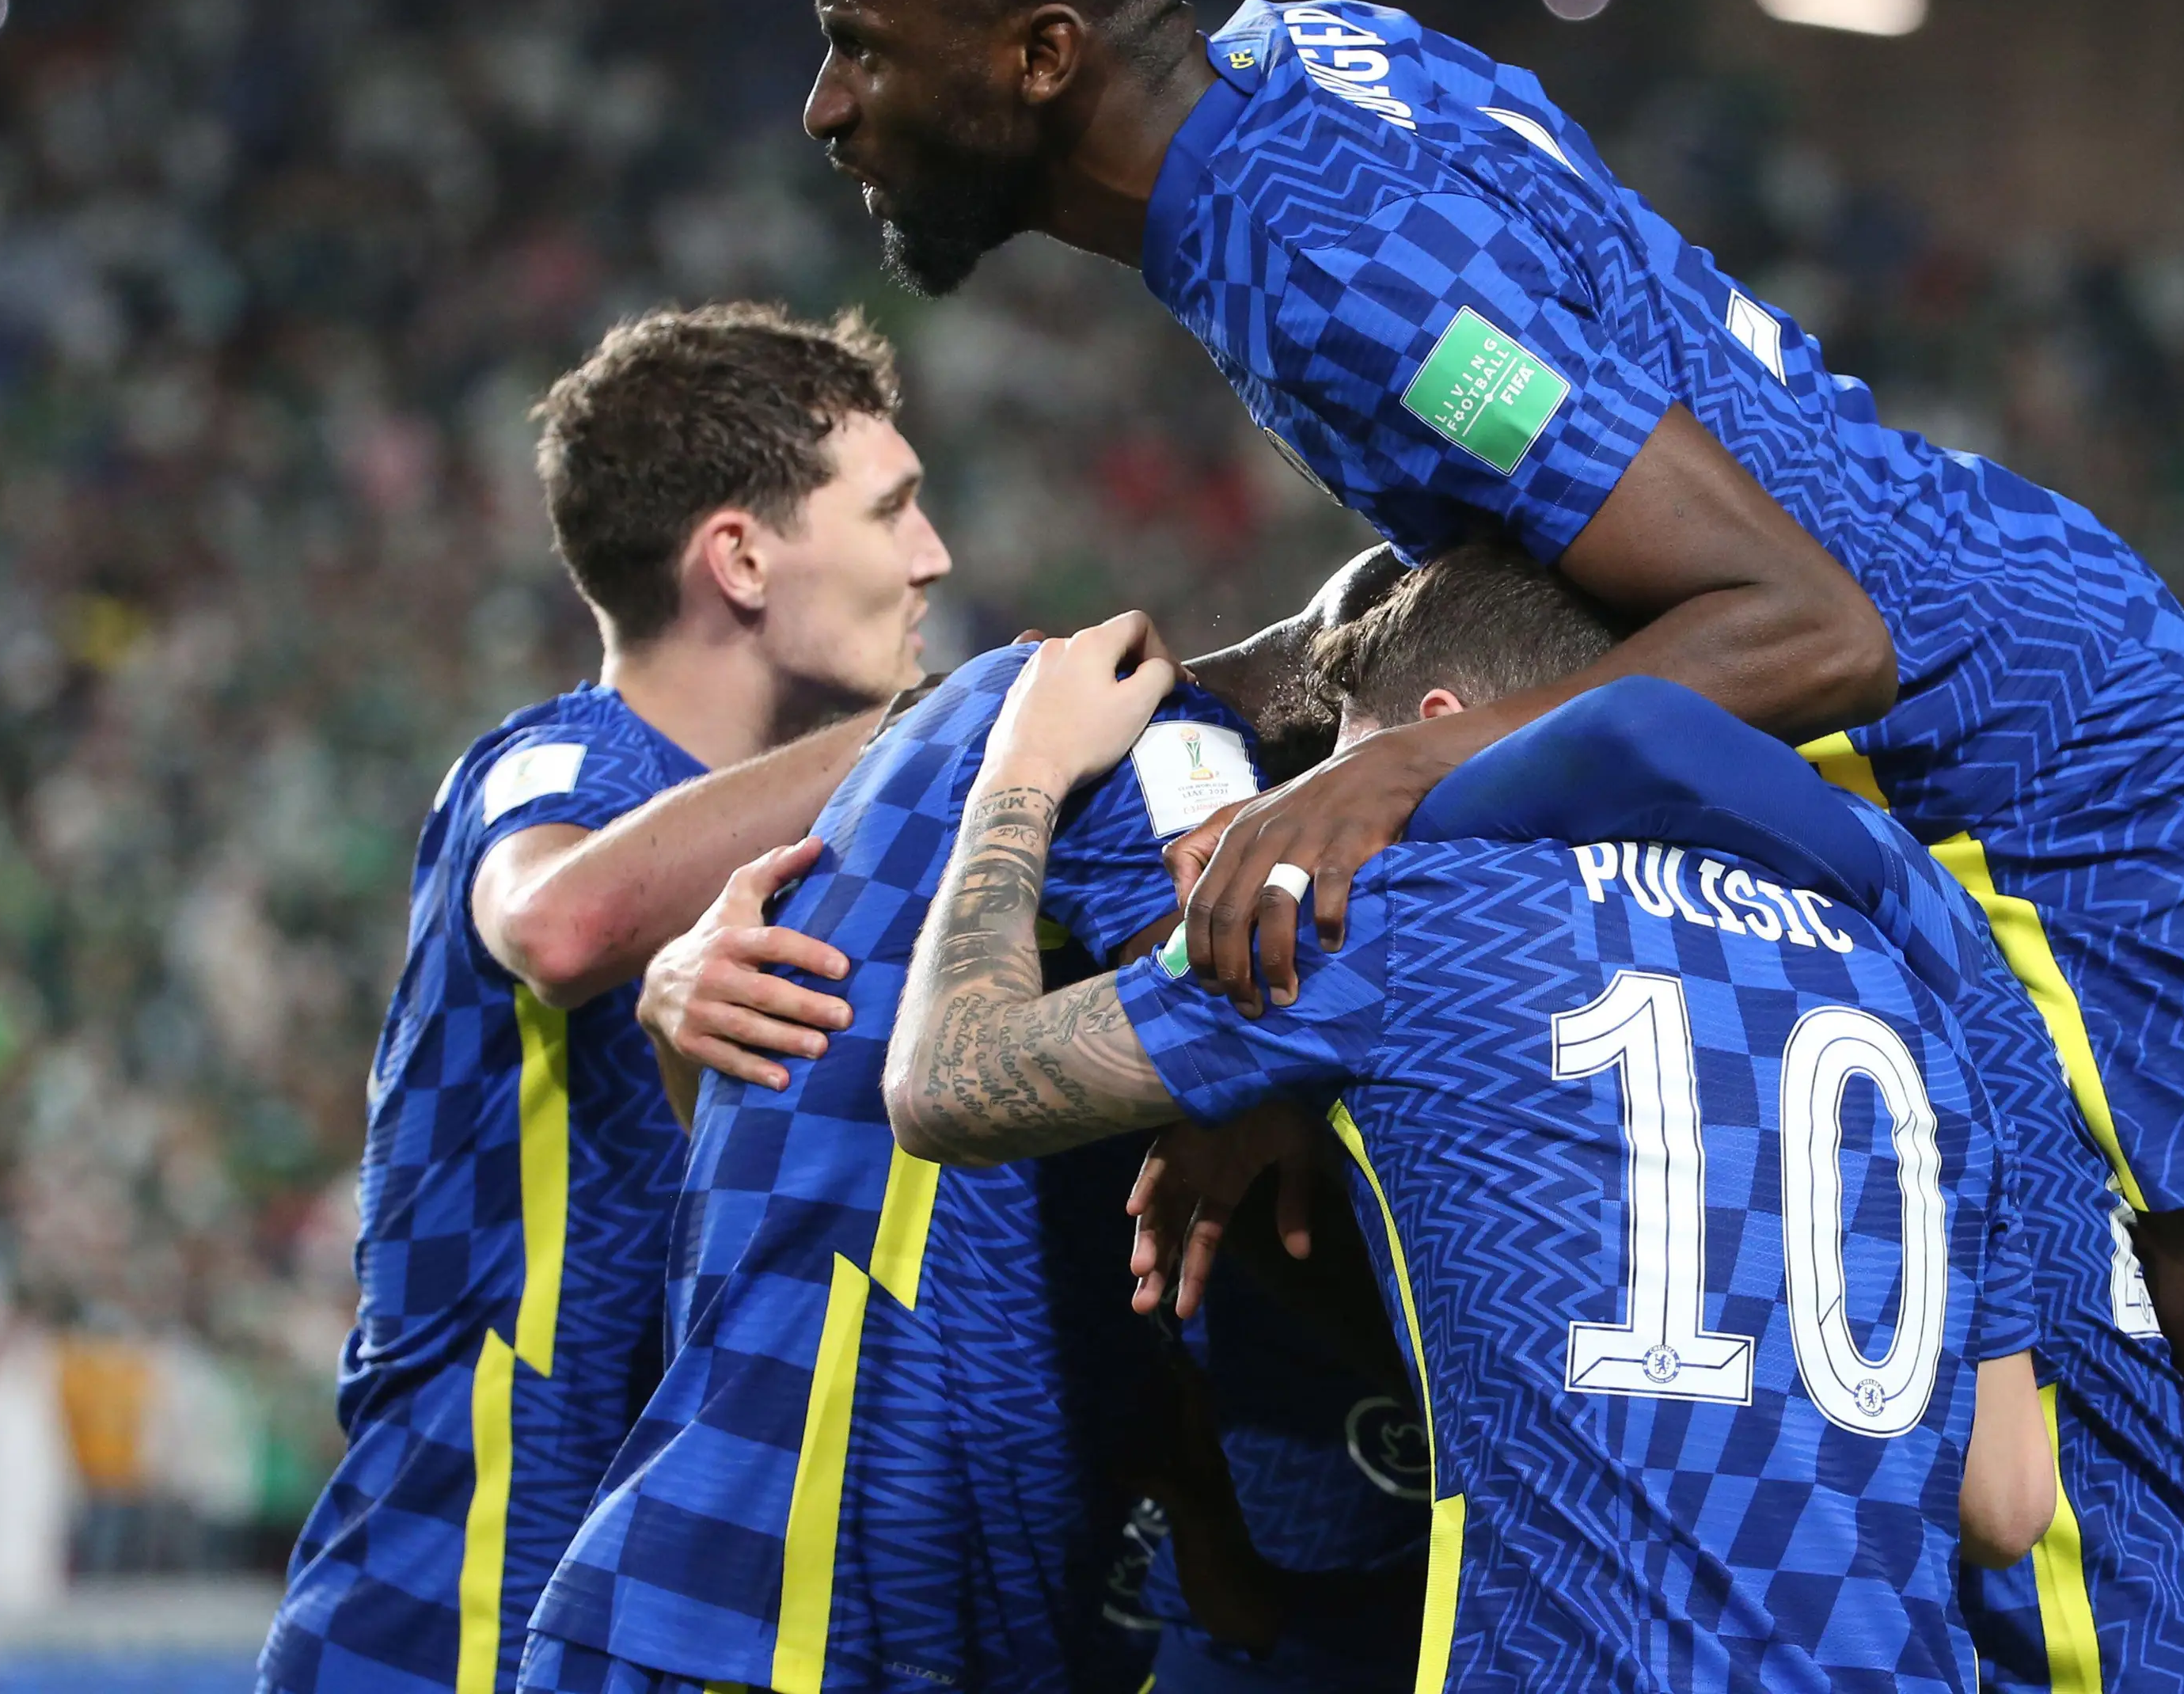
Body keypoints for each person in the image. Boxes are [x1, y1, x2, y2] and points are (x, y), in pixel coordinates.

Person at [795, 0, 2184, 1690]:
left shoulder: (1303, 246)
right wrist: (1222, 706)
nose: (826, 104)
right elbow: (1533, 530)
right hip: (2021, 652)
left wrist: (1393, 778)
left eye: (864, 48)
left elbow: (1801, 622)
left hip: (2012, 773)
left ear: (1041, 54)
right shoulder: (1307, 71)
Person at [882, 613, 2055, 1690]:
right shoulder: (1898, 973)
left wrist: (1020, 772)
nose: (1297, 838)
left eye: (1331, 778)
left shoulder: (1413, 913)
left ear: (1436, 736)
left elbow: (948, 1082)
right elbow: (2008, 1502)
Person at [261, 302, 950, 1694]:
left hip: (651, 1601)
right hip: (451, 1600)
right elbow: (564, 920)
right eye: (894, 512)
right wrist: (951, 716)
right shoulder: (554, 770)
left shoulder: (840, 834)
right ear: (739, 559)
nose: (933, 556)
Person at [519, 640, 1282, 1694]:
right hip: (793, 1617)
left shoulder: (899, 808)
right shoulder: (1125, 743)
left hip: (759, 1597)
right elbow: (1231, 1004)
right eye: (888, 510)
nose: (929, 553)